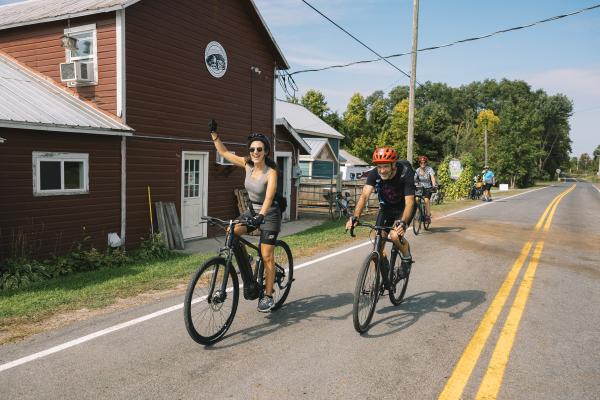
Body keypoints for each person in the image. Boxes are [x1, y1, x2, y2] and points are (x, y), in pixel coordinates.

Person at [209, 119, 281, 312]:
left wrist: (262, 216)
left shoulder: (271, 172)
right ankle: (247, 259)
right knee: (231, 230)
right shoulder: (247, 164)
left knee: (266, 256)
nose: (255, 153)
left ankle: (268, 296)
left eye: (259, 149)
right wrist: (214, 134)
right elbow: (223, 152)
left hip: (270, 213)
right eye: (252, 150)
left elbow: (269, 196)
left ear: (266, 151)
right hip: (252, 210)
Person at [346, 147, 415, 269]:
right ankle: (384, 275)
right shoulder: (374, 174)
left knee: (394, 236)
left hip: (403, 209)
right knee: (377, 249)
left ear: (393, 165)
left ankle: (406, 257)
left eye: (386, 167)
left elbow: (410, 202)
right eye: (379, 167)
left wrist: (403, 223)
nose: (382, 171)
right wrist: (355, 217)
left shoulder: (405, 173)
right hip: (386, 210)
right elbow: (364, 196)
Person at [414, 155, 437, 222]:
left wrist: (434, 185)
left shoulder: (429, 169)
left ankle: (427, 215)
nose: (423, 164)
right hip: (420, 188)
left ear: (426, 163)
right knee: (417, 199)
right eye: (421, 162)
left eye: (424, 162)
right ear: (419, 163)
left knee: (426, 200)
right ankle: (419, 212)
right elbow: (414, 179)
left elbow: (432, 177)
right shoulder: (417, 170)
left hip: (428, 187)